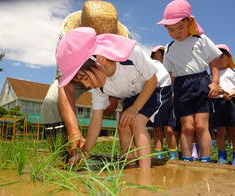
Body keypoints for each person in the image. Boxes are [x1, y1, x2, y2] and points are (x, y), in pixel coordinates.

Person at [56, 27, 167, 168]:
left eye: (84, 78)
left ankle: (145, 174)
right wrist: (84, 152)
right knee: (123, 124)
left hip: (158, 85)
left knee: (136, 122)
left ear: (99, 59)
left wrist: (134, 109)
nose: (85, 85)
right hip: (134, 93)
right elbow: (95, 123)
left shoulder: (131, 55)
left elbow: (152, 81)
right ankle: (131, 165)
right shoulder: (99, 87)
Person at [41, 1, 130, 160]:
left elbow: (125, 76)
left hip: (113, 75)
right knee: (51, 102)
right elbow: (65, 85)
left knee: (132, 106)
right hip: (79, 74)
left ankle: (132, 154)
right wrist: (73, 131)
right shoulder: (66, 39)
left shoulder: (125, 41)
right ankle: (63, 155)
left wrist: (114, 97)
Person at [157, 0, 222, 162]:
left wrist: (215, 82)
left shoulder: (201, 40)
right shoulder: (170, 48)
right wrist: (170, 93)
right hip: (181, 87)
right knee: (187, 127)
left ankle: (205, 160)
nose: (176, 33)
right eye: (171, 30)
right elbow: (170, 75)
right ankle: (187, 159)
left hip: (201, 82)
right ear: (165, 29)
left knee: (201, 126)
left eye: (180, 27)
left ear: (190, 22)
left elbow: (213, 62)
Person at [211, 44, 235, 166]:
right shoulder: (212, 74)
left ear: (228, 57)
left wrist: (231, 94)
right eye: (216, 57)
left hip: (232, 102)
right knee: (220, 131)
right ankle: (221, 156)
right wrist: (218, 92)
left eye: (222, 56)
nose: (219, 59)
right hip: (218, 102)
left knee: (234, 130)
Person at [148, 45, 178, 160]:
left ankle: (173, 154)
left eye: (160, 56)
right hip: (155, 100)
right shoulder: (150, 67)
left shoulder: (170, 67)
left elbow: (173, 80)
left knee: (169, 129)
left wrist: (173, 94)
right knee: (157, 129)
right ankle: (158, 154)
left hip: (169, 99)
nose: (158, 58)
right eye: (155, 56)